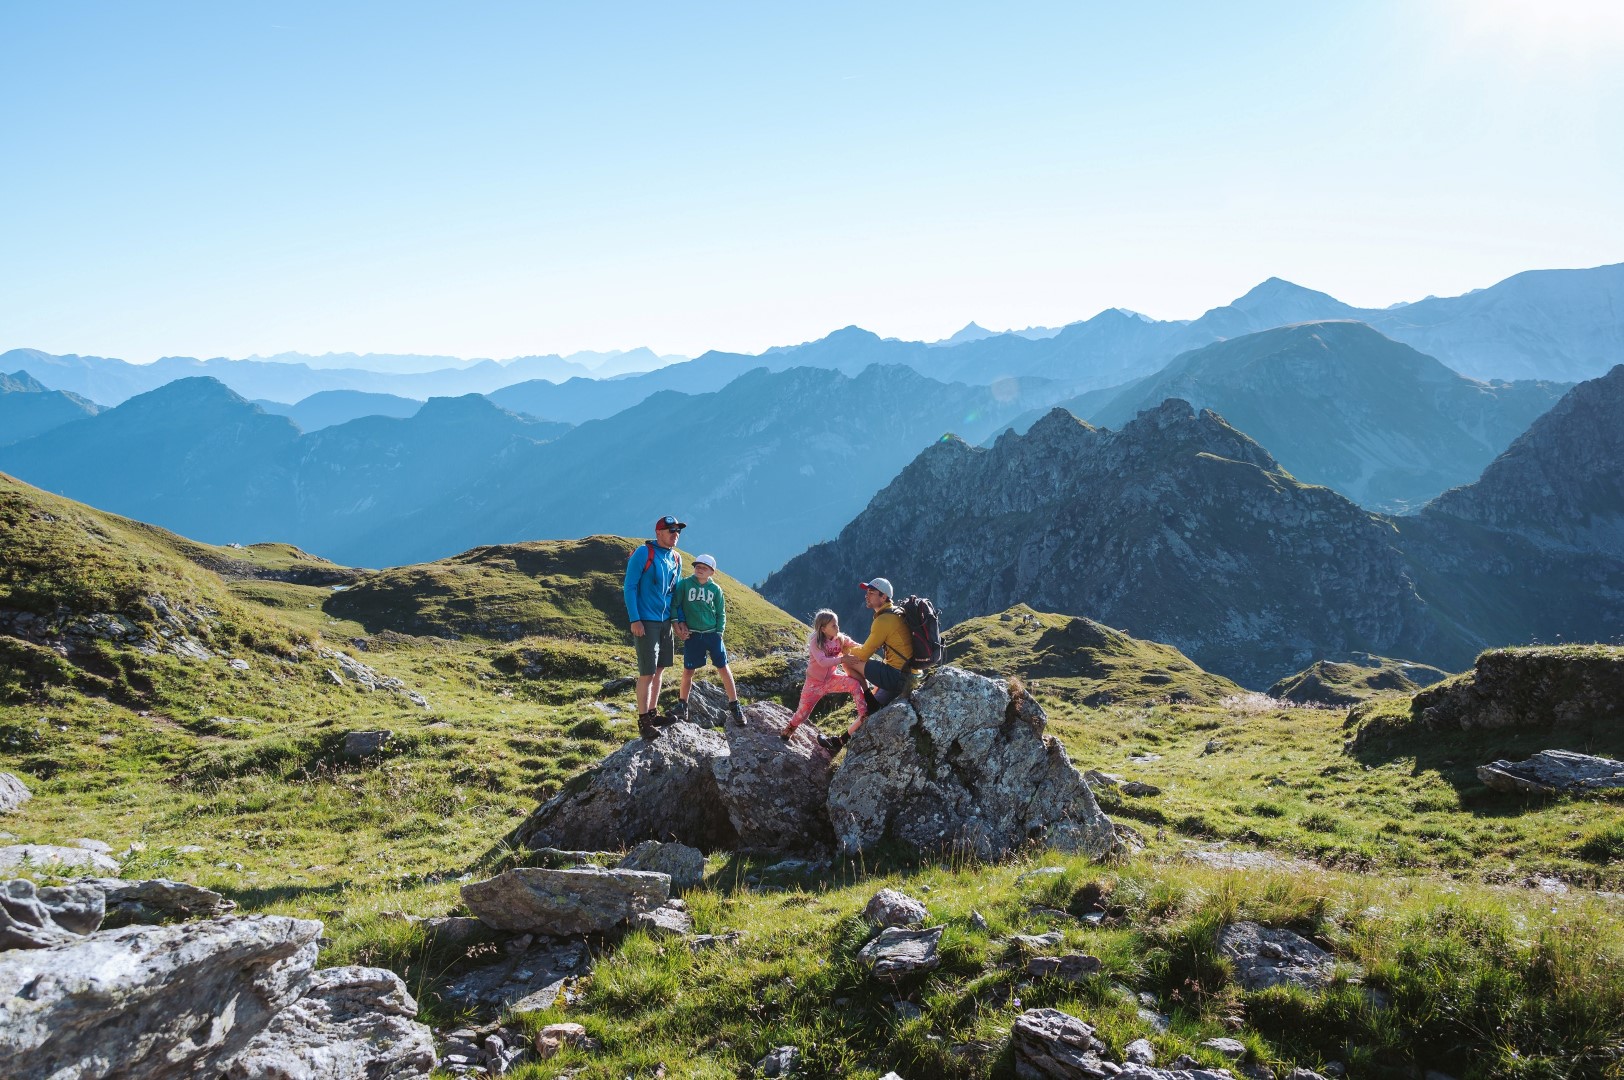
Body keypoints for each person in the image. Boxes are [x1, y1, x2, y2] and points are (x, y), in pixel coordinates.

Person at [819, 576, 915, 752]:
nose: (867, 596)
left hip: (895, 676)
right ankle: (839, 741)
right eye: (867, 592)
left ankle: (866, 695)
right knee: (871, 711)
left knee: (848, 660)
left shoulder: (883, 620)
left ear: (884, 597)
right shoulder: (895, 614)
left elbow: (864, 654)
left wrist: (844, 650)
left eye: (872, 593)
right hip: (908, 676)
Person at [623, 514, 684, 741]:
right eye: (671, 531)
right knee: (647, 672)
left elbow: (676, 593)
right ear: (658, 533)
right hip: (646, 622)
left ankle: (653, 712)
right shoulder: (643, 553)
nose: (675, 534)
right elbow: (629, 587)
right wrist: (635, 619)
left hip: (665, 622)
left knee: (660, 670)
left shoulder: (676, 558)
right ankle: (643, 721)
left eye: (678, 531)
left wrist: (678, 621)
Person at [672, 553, 745, 725]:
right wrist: (677, 623)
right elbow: (675, 605)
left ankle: (735, 705)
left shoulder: (715, 590)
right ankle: (682, 705)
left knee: (723, 668)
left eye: (704, 568)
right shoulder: (684, 584)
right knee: (688, 671)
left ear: (712, 572)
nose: (700, 569)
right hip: (693, 635)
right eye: (697, 566)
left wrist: (719, 632)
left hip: (712, 634)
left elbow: (721, 613)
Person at [781, 609, 866, 741]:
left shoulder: (841, 639)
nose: (837, 627)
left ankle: (864, 715)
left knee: (854, 684)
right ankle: (791, 727)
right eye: (833, 625)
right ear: (823, 629)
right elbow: (822, 662)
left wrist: (870, 648)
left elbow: (859, 647)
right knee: (803, 713)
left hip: (832, 679)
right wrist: (843, 659)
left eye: (837, 624)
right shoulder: (815, 641)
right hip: (813, 683)